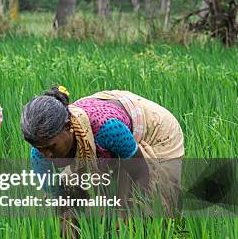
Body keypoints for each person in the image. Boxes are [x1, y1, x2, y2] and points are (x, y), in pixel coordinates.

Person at [21, 86, 184, 218]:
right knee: (77, 190)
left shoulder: (107, 129)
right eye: (40, 149)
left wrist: (125, 212)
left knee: (152, 202)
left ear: (68, 127)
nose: (47, 155)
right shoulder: (39, 154)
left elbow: (140, 172)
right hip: (108, 125)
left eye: (52, 147)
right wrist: (66, 216)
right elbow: (58, 197)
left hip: (153, 127)